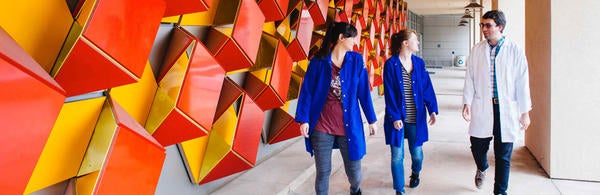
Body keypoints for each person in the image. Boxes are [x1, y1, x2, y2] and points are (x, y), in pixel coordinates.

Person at [295, 21, 378, 195]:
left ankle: (355, 190)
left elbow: (363, 92)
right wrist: (303, 119)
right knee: (323, 172)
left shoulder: (356, 60)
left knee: (354, 173)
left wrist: (372, 120)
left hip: (349, 126)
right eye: (352, 38)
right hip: (322, 126)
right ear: (341, 38)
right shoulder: (318, 62)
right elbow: (307, 92)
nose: (354, 42)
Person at [462, 10, 532, 195]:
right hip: (483, 105)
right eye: (482, 25)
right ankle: (482, 166)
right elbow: (470, 77)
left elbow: (522, 82)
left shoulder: (515, 50)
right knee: (477, 145)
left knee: (503, 155)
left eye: (488, 25)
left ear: (499, 27)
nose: (484, 29)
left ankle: (500, 191)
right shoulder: (477, 50)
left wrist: (525, 111)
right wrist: (467, 102)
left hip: (506, 108)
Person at [383, 29, 438, 195]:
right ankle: (399, 189)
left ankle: (415, 173)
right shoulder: (391, 64)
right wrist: (394, 116)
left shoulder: (419, 63)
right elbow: (389, 92)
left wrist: (432, 110)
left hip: (416, 118)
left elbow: (427, 87)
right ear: (405, 43)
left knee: (417, 155)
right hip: (397, 119)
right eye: (415, 40)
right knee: (397, 157)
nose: (418, 43)